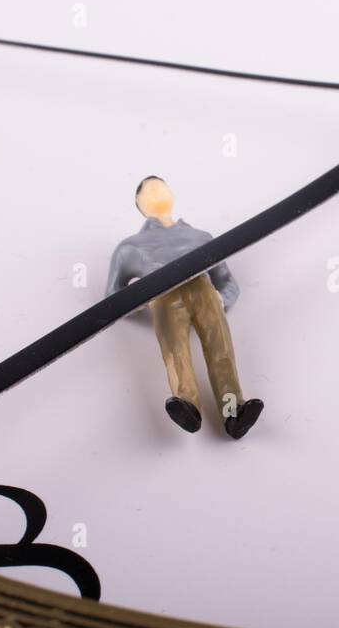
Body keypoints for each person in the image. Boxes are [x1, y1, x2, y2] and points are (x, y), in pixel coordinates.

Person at [105, 176, 263, 439]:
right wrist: (142, 298)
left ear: (171, 194)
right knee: (175, 351)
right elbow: (112, 295)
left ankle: (234, 411)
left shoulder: (200, 237)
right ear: (140, 204)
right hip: (164, 294)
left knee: (220, 347)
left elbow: (228, 281)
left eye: (161, 188)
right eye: (149, 192)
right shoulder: (130, 246)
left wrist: (220, 299)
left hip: (203, 290)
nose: (156, 194)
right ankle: (187, 405)